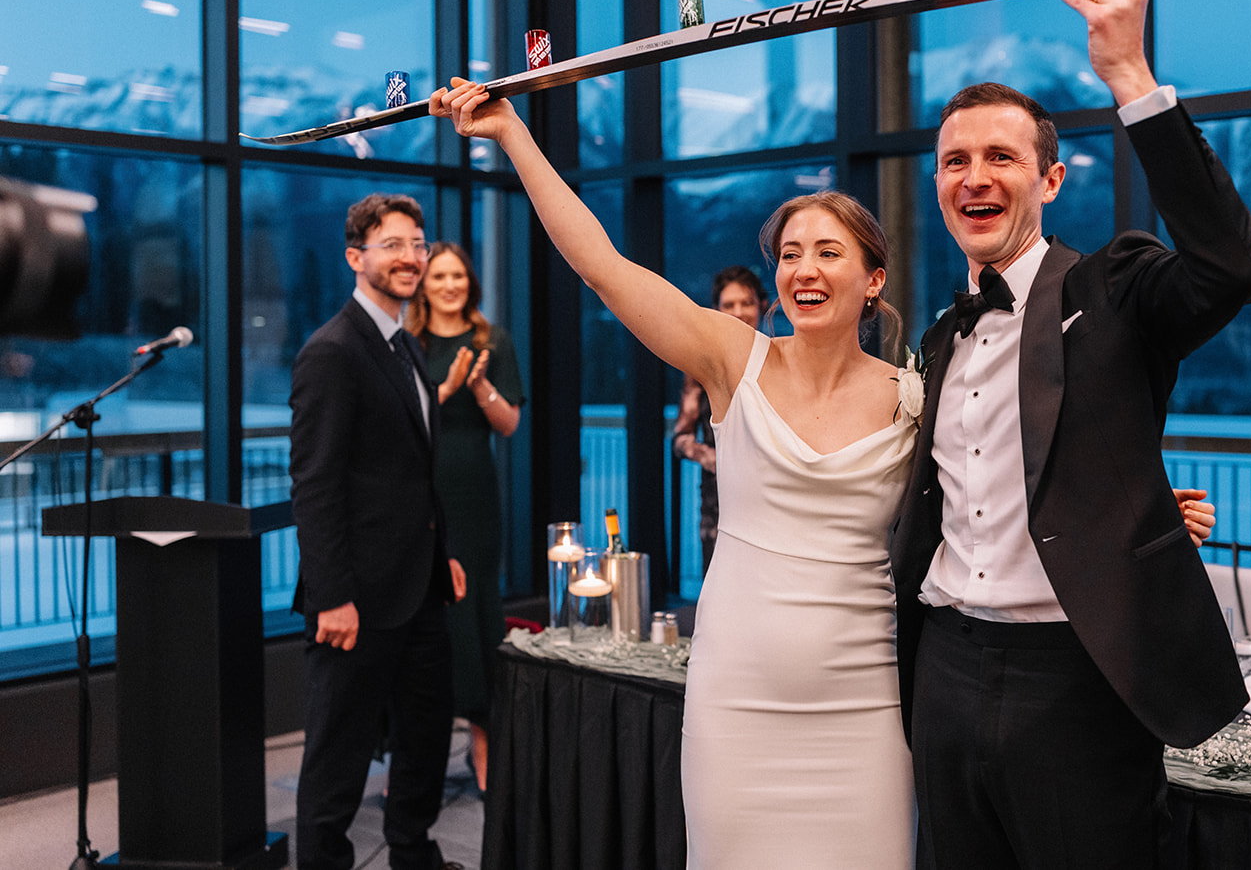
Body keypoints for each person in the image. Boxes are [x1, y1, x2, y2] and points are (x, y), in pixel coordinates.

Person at [432, 72, 921, 866]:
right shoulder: (735, 360)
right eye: (790, 253)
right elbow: (602, 266)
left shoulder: (914, 399)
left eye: (829, 251)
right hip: (737, 700)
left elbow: (1005, 481)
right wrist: (514, 136)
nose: (805, 268)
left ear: (872, 279)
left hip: (865, 704)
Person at [889, 0, 1251, 869]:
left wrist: (1129, 74)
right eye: (953, 161)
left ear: (1051, 180)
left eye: (999, 158)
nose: (973, 176)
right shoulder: (940, 335)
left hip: (1077, 673)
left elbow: (1230, 266)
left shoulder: (1115, 288)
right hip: (941, 664)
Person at [289, 193, 467, 870]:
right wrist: (332, 594)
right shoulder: (332, 351)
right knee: (338, 756)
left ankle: (413, 854)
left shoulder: (404, 344)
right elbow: (316, 482)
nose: (411, 257)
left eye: (418, 244)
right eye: (393, 244)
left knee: (424, 736)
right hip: (354, 600)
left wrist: (440, 551)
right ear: (355, 256)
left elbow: (413, 469)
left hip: (418, 585)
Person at [407, 242, 524, 795]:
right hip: (418, 493)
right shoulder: (408, 341)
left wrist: (478, 387)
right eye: (439, 275)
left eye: (458, 275)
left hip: (474, 496)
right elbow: (401, 421)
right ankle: (412, 756)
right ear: (424, 283)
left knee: (476, 613)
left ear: (469, 283)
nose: (449, 284)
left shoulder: (491, 341)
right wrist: (446, 388)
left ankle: (484, 743)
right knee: (421, 615)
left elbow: (508, 425)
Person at [671, 265, 768, 575]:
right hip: (720, 501)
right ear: (716, 310)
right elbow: (680, 439)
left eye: (746, 303)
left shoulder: (779, 358)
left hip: (772, 497)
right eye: (729, 305)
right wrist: (717, 458)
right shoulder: (702, 367)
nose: (738, 312)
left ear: (761, 306)